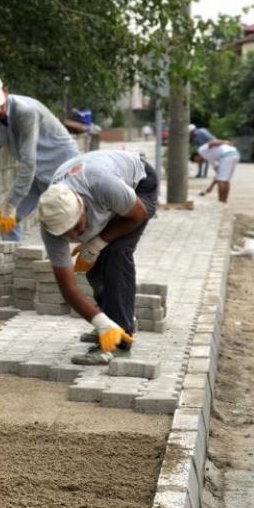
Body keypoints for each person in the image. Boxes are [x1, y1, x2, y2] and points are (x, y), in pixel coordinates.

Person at [37, 149, 159, 366]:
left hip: (139, 185)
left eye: (76, 228)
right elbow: (68, 287)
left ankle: (119, 343)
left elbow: (137, 215)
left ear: (82, 205)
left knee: (115, 252)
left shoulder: (101, 186)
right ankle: (110, 325)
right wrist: (100, 321)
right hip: (104, 184)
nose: (73, 237)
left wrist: (97, 243)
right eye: (65, 234)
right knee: (93, 268)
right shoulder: (50, 223)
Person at [0, 73, 78, 242]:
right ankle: (12, 266)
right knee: (5, 222)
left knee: (63, 222)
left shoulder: (25, 111)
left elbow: (28, 162)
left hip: (63, 169)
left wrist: (11, 205)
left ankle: (78, 264)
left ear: (5, 91)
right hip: (36, 174)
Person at [197, 139, 241, 203]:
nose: (199, 162)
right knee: (225, 180)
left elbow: (212, 143)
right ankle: (224, 201)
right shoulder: (211, 158)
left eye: (196, 161)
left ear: (196, 156)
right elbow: (218, 175)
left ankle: (221, 201)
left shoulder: (201, 150)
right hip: (234, 154)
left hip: (227, 155)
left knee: (222, 181)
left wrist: (225, 142)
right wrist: (210, 187)